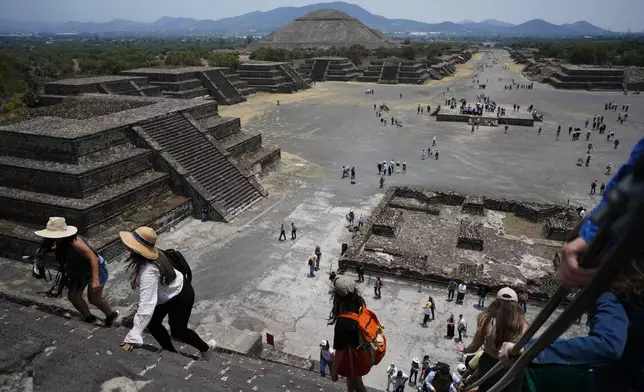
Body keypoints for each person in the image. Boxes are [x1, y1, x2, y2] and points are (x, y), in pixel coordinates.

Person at [118, 227, 216, 358]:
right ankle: (170, 352)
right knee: (153, 323)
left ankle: (206, 348)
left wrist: (133, 335)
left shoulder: (149, 270)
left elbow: (147, 303)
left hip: (180, 294)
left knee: (178, 331)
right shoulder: (151, 257)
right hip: (167, 292)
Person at [35, 217, 119, 326]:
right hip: (79, 271)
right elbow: (60, 247)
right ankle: (90, 318)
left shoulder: (75, 242)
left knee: (94, 299)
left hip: (96, 268)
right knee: (73, 296)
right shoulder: (59, 241)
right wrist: (46, 251)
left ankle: (111, 315)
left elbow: (93, 257)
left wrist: (95, 280)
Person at [460, 287, 528, 392]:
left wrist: (465, 349)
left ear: (496, 303)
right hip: (512, 366)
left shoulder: (486, 320)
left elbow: (474, 346)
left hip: (489, 364)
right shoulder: (522, 324)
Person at [329, 276, 369, 392]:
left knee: (358, 385)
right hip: (361, 350)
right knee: (351, 383)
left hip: (355, 357)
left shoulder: (343, 321)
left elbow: (340, 350)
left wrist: (334, 370)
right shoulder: (359, 301)